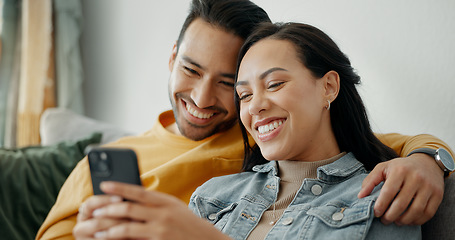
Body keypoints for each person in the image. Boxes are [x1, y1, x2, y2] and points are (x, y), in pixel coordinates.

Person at [38, 0, 454, 239]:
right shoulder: (211, 191)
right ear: (171, 59)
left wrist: (430, 161)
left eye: (273, 85)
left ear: (328, 87)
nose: (203, 98)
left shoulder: (378, 195)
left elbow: (394, 143)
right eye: (244, 93)